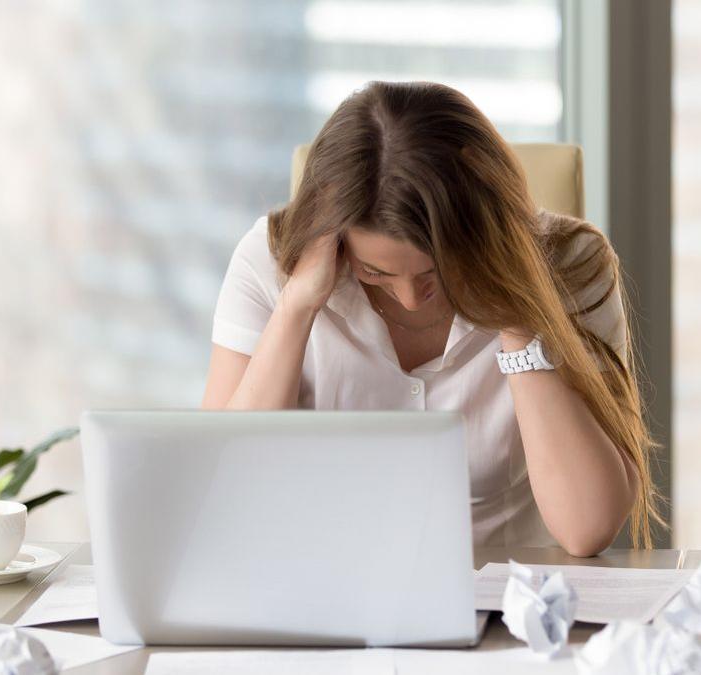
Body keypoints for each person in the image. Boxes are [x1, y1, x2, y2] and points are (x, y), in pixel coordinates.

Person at [202, 81, 659, 556]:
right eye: (376, 272)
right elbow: (223, 493)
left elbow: (587, 527)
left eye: (434, 271)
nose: (411, 298)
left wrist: (518, 312)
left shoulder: (574, 263)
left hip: (511, 606)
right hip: (319, 596)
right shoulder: (267, 263)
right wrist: (296, 305)